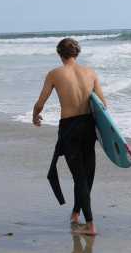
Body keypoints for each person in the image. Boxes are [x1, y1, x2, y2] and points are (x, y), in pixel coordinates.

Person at [32, 38, 106, 235]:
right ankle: (75, 212)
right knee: (87, 173)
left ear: (60, 54)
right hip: (89, 126)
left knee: (79, 175)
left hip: (69, 128)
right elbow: (103, 105)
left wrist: (35, 115)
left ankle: (90, 224)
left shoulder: (55, 74)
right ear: (77, 52)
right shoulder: (90, 73)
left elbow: (41, 102)